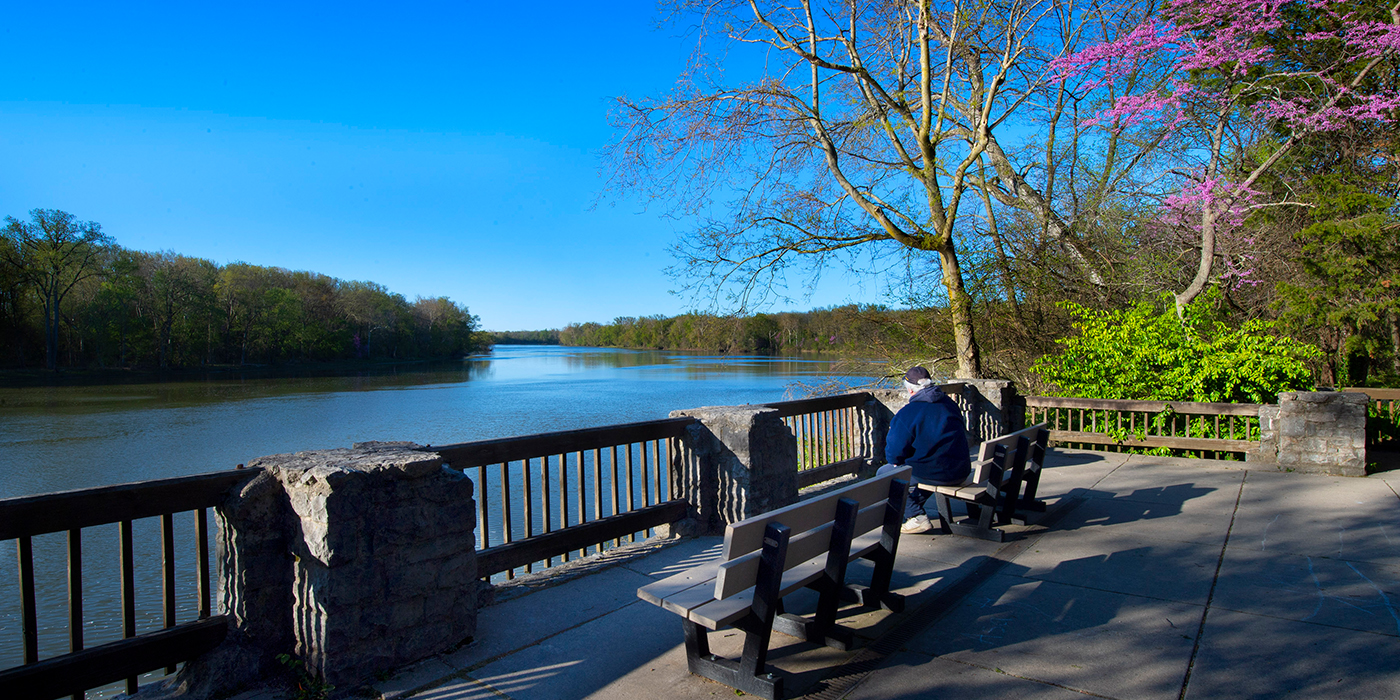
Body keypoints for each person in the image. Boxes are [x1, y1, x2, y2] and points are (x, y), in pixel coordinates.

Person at [878, 366, 972, 534]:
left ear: (910, 390)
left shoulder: (909, 412)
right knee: (923, 470)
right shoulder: (949, 404)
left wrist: (899, 461)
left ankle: (916, 516)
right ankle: (913, 509)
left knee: (883, 473)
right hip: (960, 469)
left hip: (936, 473)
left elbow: (893, 455)